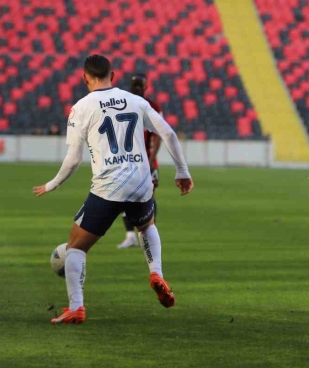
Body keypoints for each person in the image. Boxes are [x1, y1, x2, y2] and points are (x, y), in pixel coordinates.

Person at [33, 55, 193, 325]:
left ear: (85, 78)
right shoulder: (138, 102)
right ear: (114, 75)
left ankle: (76, 308)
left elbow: (73, 160)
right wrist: (182, 171)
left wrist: (52, 184)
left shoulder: (81, 107)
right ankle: (156, 272)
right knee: (146, 226)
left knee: (75, 247)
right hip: (142, 183)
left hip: (108, 186)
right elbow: (169, 134)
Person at [118, 73, 163, 249]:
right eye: (134, 85)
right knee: (122, 196)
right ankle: (130, 236)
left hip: (148, 160)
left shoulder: (153, 107)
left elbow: (159, 134)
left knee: (150, 197)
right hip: (127, 160)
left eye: (140, 85)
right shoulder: (123, 104)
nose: (137, 88)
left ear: (145, 87)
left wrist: (151, 159)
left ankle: (151, 233)